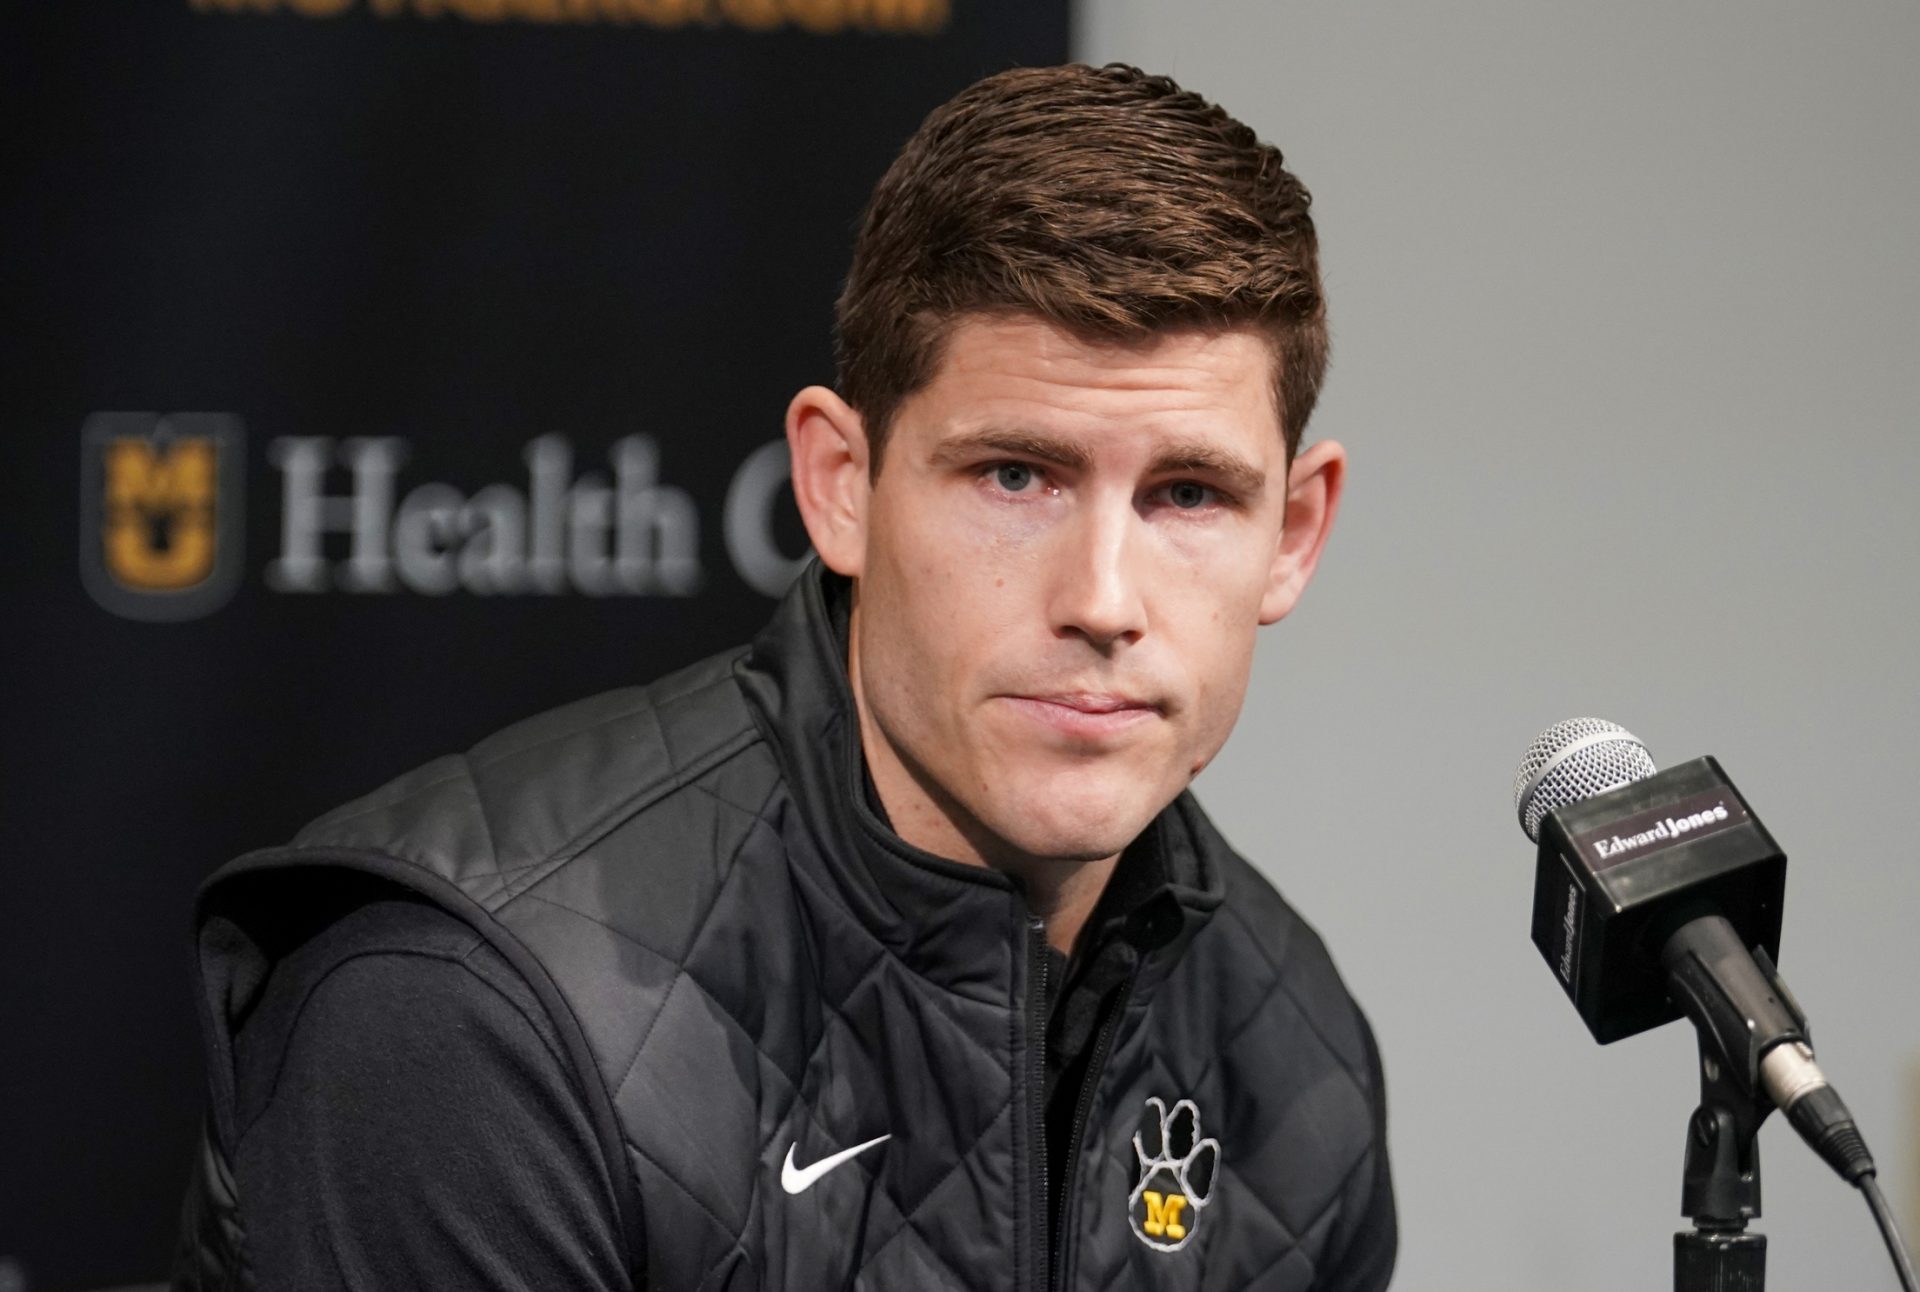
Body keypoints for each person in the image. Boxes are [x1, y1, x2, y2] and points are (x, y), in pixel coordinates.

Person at [175, 61, 1396, 1292]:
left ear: (1292, 535)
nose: (1102, 600)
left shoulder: (1295, 1054)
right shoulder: (467, 1014)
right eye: (1016, 476)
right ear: (839, 486)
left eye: (1189, 494)